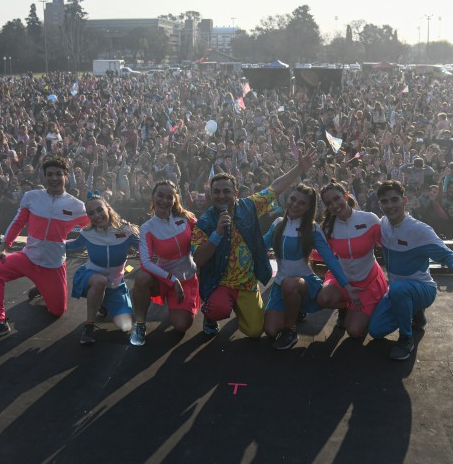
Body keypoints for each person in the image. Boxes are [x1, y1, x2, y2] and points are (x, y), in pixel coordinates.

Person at [192, 148, 316, 339]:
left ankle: (243, 308)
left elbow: (275, 189)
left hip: (247, 284)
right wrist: (216, 234)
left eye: (226, 191)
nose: (221, 196)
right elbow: (198, 260)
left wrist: (299, 168)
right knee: (218, 309)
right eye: (216, 192)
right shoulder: (205, 223)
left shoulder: (248, 206)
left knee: (255, 331)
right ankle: (211, 316)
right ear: (210, 193)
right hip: (220, 283)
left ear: (235, 193)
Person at [0, 156, 89, 343]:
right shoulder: (31, 197)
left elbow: (95, 225)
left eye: (59, 174)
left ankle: (42, 287)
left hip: (52, 266)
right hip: (27, 259)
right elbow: (18, 222)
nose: (54, 178)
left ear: (66, 176)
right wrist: (3, 248)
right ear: (44, 177)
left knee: (57, 312)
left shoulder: (77, 206)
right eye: (50, 174)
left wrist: (121, 230)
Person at [368, 180, 453, 360]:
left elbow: (447, 254)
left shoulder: (420, 230)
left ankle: (406, 338)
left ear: (405, 201)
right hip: (397, 289)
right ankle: (415, 312)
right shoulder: (382, 223)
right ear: (380, 204)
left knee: (399, 289)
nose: (390, 206)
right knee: (376, 331)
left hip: (423, 288)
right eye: (385, 202)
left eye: (394, 200)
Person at [262, 183, 355, 350]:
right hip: (281, 285)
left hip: (306, 283)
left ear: (308, 208)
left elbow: (331, 260)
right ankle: (296, 310)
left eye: (302, 203)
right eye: (293, 199)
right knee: (270, 330)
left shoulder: (312, 229)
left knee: (290, 284)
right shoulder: (277, 223)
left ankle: (291, 330)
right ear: (287, 198)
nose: (295, 204)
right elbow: (260, 247)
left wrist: (347, 286)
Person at [131, 180, 200, 346]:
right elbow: (146, 263)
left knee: (182, 325)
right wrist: (171, 279)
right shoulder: (147, 227)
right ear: (153, 197)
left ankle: (181, 304)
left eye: (169, 197)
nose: (164, 200)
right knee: (142, 279)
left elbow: (203, 240)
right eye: (160, 195)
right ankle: (140, 324)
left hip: (188, 278)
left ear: (175, 199)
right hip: (164, 279)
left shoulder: (186, 218)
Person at [315, 182, 387, 338]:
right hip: (341, 278)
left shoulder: (369, 219)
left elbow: (388, 244)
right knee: (322, 299)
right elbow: (321, 255)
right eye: (329, 203)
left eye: (337, 198)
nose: (334, 205)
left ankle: (370, 307)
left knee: (353, 331)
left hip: (368, 281)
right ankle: (345, 306)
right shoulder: (328, 227)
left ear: (346, 196)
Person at [66, 192, 139, 345]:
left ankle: (103, 302)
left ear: (108, 208)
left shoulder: (126, 231)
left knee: (126, 326)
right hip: (90, 276)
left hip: (115, 284)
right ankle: (89, 326)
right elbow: (70, 245)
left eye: (99, 210)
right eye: (91, 213)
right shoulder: (87, 233)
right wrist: (48, 243)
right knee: (100, 281)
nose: (96, 215)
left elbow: (146, 246)